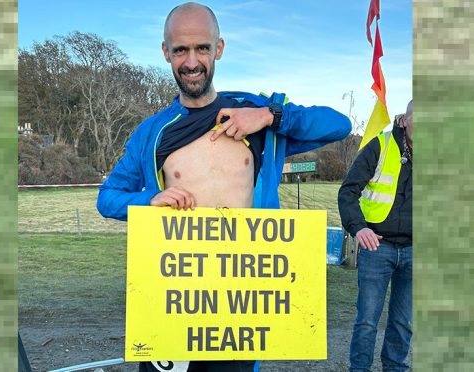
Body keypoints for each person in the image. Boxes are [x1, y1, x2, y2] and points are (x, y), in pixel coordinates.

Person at [97, 2, 352, 371]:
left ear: (218, 49)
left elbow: (338, 125)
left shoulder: (254, 116)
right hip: (177, 299)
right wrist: (150, 198)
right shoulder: (151, 133)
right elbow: (107, 199)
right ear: (166, 52)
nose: (191, 61)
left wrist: (270, 115)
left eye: (202, 47)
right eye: (181, 50)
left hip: (243, 301)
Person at [338, 100, 413, 372]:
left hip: (415, 250)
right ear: (405, 120)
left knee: (404, 320)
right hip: (377, 246)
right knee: (367, 319)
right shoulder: (381, 145)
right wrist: (358, 227)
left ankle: (395, 367)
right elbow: (348, 191)